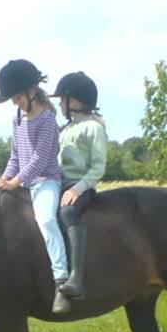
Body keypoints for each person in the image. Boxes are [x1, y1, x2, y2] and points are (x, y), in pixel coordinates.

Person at [0, 59, 71, 314]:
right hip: (23, 183)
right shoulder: (17, 120)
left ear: (32, 89)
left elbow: (39, 158)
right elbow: (15, 155)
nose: (15, 103)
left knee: (46, 219)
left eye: (16, 97)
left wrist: (15, 182)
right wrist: (4, 179)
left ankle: (61, 279)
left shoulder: (47, 120)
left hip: (46, 182)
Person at [50, 71, 107, 302]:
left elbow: (98, 167)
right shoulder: (65, 130)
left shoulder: (93, 128)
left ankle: (76, 276)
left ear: (74, 101)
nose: (60, 104)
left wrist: (78, 189)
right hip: (60, 183)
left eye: (62, 99)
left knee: (67, 212)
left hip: (80, 186)